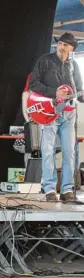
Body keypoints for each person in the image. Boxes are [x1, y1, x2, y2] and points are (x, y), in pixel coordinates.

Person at [29, 32, 82, 201]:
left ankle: (67, 190)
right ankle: (49, 189)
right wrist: (55, 93)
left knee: (69, 152)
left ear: (72, 48)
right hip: (49, 111)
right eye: (60, 43)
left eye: (66, 44)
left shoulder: (74, 65)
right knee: (47, 150)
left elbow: (79, 91)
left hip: (69, 113)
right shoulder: (45, 60)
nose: (61, 46)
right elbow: (33, 84)